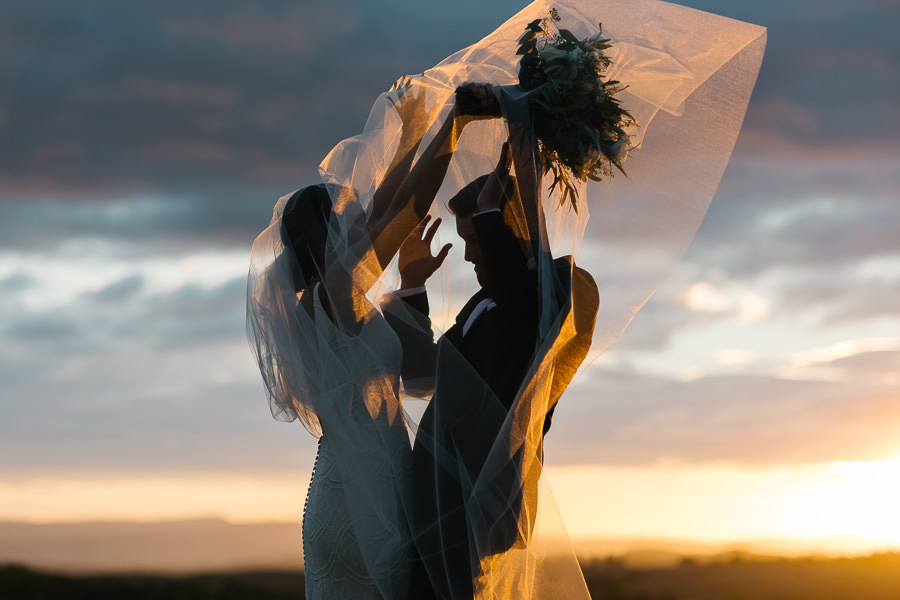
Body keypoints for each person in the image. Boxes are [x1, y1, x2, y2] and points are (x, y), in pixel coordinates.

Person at [382, 142, 599, 599]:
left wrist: (490, 210)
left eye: (475, 239)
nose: (467, 257)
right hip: (439, 496)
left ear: (512, 226)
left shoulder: (563, 295)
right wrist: (412, 286)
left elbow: (526, 299)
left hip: (483, 496)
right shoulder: (481, 303)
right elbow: (424, 379)